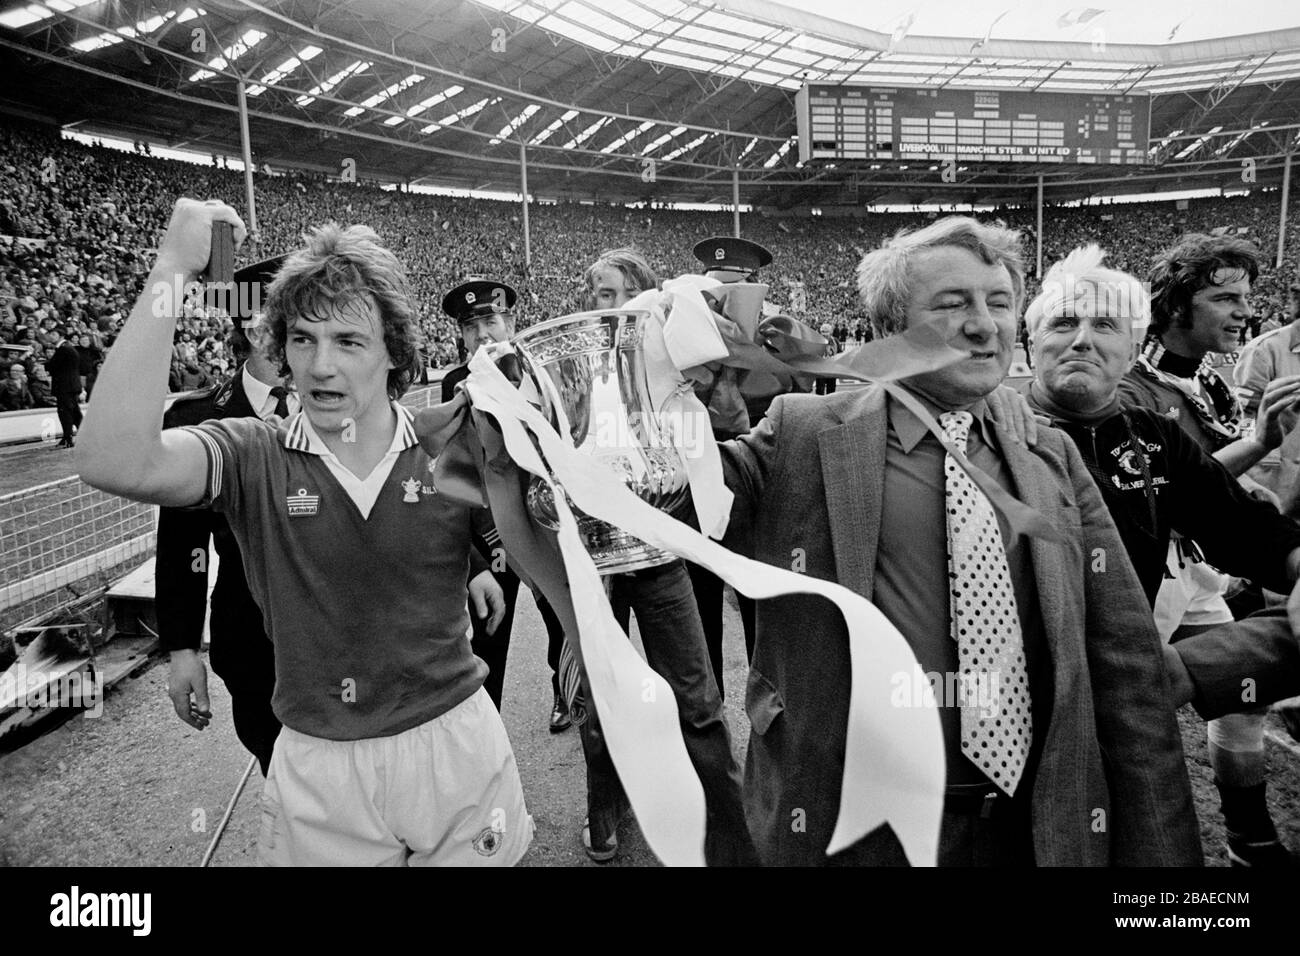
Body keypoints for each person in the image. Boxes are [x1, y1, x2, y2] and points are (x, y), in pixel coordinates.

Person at [719, 216, 1201, 866]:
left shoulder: (1050, 453)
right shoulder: (800, 435)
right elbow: (660, 494)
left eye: (999, 302)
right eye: (954, 304)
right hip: (858, 828)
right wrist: (671, 376)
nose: (985, 324)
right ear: (893, 328)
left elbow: (1126, 669)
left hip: (1031, 828)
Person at [78, 199, 530, 866]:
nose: (321, 366)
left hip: (455, 748)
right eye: (302, 339)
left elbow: (541, 531)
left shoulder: (452, 440)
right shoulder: (250, 454)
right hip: (318, 764)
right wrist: (172, 267)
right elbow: (113, 457)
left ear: (393, 354)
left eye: (349, 341)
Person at [1022, 246, 1300, 867]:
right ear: (1031, 339)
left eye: (1105, 326)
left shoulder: (1155, 435)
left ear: (1131, 348)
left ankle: (1243, 841)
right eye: (1063, 323)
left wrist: (1296, 563)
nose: (1083, 340)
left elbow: (1240, 524)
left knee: (1147, 836)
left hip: (1127, 670)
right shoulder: (997, 431)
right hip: (1020, 686)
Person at [565, 248, 756, 866]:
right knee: (604, 699)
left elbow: (723, 421)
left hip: (660, 552)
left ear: (647, 300)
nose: (604, 302)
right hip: (596, 557)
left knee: (697, 699)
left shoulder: (674, 364)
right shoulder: (575, 367)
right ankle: (605, 812)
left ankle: (729, 831)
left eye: (614, 291)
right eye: (596, 292)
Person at [1116, 233, 1300, 866]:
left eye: (1246, 297)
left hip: (1198, 571)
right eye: (1225, 297)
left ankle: (1248, 836)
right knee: (1134, 705)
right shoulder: (1133, 392)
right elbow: (1167, 494)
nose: (1244, 312)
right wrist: (1257, 444)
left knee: (1242, 691)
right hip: (1151, 575)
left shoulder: (1212, 381)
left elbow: (1219, 489)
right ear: (1174, 307)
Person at [156, 255, 296, 776]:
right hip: (253, 636)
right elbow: (183, 544)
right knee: (281, 773)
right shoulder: (199, 418)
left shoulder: (337, 402)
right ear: (258, 331)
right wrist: (182, 647)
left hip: (342, 628)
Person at [440, 279, 571, 732]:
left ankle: (566, 689)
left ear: (511, 323)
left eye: (490, 321)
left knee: (560, 619)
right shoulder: (456, 384)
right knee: (489, 630)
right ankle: (486, 726)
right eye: (470, 326)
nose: (481, 334)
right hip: (490, 529)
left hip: (541, 521)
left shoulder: (539, 369)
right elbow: (454, 465)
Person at [45, 325, 82, 448]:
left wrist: (46, 365)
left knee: (65, 412)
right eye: (50, 334)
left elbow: (53, 366)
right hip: (70, 386)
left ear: (61, 336)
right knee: (75, 412)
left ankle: (67, 438)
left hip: (65, 387)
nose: (51, 336)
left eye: (54, 334)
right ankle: (80, 435)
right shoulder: (67, 348)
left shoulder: (63, 349)